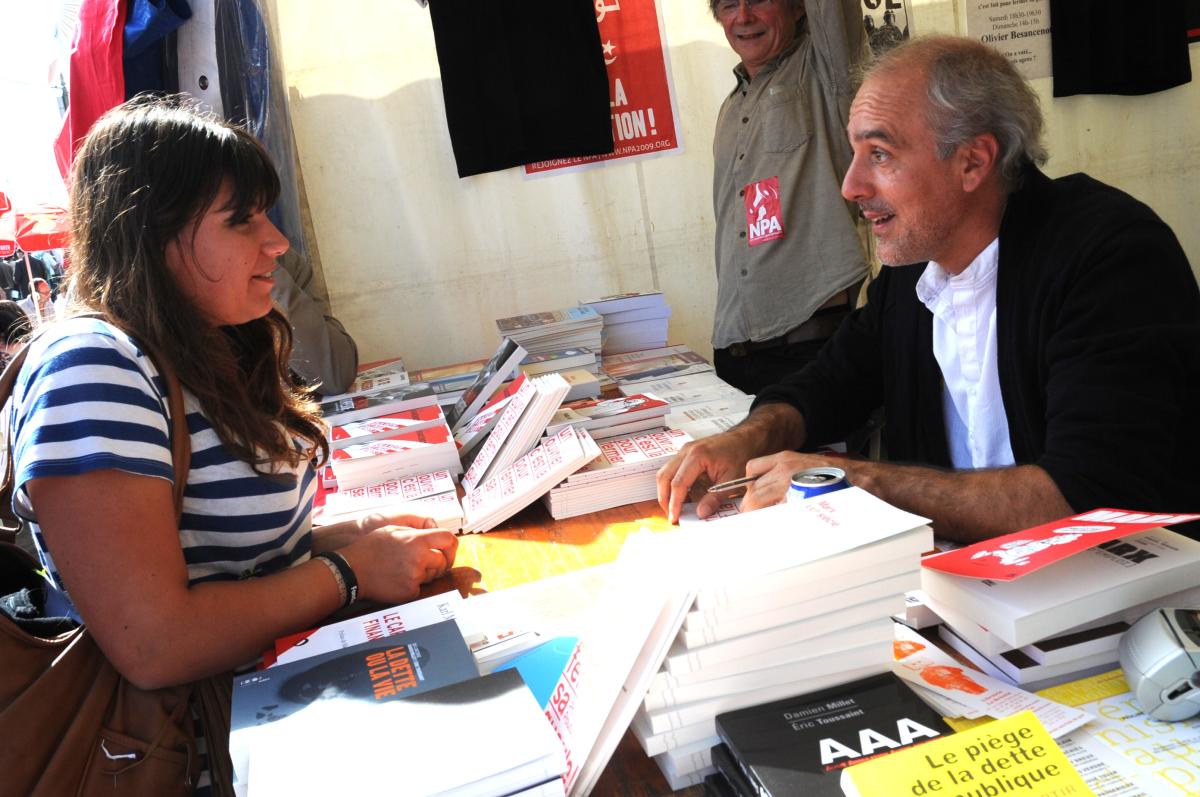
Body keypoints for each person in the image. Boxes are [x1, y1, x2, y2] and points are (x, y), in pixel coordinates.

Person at [659, 35, 1200, 542]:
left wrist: (858, 481)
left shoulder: (1111, 255)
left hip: (1122, 607)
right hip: (962, 586)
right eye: (855, 153)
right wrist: (749, 436)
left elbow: (1088, 499)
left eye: (881, 155)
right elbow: (833, 381)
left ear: (972, 162)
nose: (851, 187)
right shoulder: (915, 268)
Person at [9, 95, 458, 705]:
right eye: (241, 219)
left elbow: (212, 561)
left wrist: (334, 538)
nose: (276, 243)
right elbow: (153, 645)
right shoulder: (93, 369)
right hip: (189, 752)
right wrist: (349, 574)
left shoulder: (197, 347)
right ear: (153, 232)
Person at [708, 0, 870, 396]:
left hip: (807, 345)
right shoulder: (731, 107)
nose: (743, 17)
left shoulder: (824, 71)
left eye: (760, 0)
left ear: (798, 9)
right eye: (729, 5)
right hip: (736, 349)